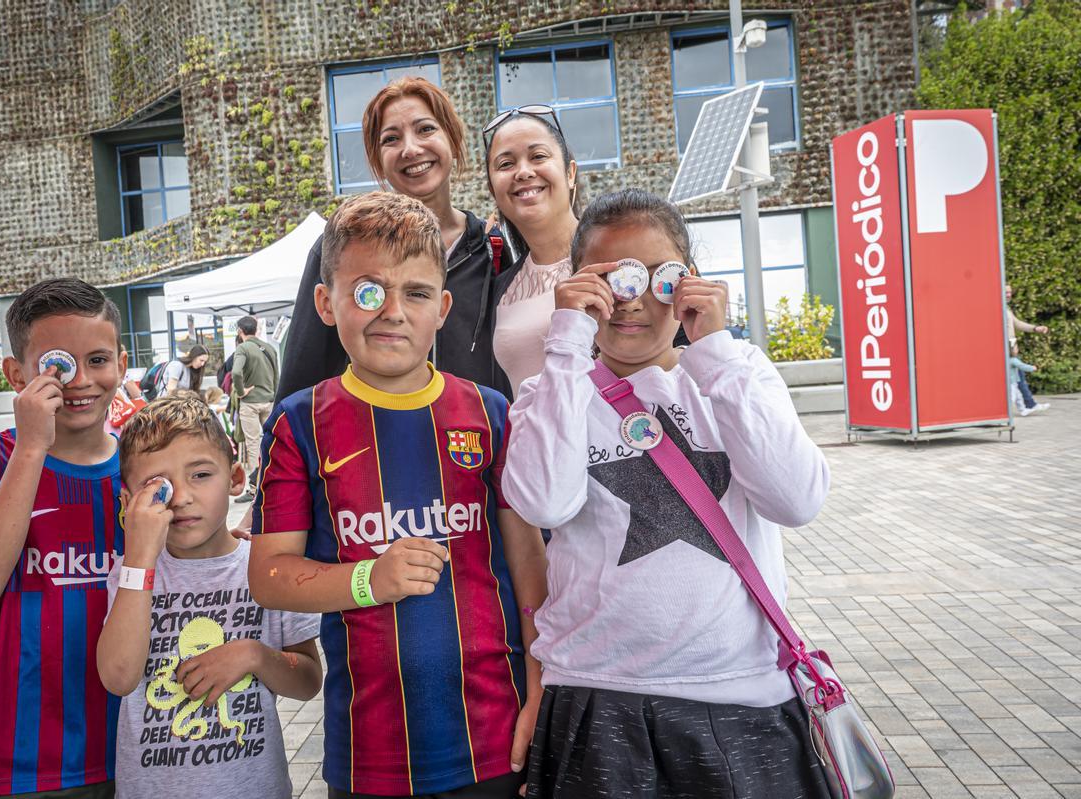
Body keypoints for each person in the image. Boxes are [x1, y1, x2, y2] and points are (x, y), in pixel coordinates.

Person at [502, 190, 833, 799]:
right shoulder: (550, 391)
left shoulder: (735, 373)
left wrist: (715, 350)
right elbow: (543, 503)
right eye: (612, 280)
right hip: (597, 695)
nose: (633, 300)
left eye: (660, 278)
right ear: (579, 284)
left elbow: (796, 501)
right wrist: (567, 341)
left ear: (688, 282)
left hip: (741, 692)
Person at [247, 192, 548, 798]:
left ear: (441, 308)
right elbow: (268, 575)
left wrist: (542, 684)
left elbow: (529, 567)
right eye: (367, 291)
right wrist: (368, 581)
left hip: (494, 737)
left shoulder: (490, 414)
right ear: (326, 304)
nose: (392, 311)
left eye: (414, 293)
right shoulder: (298, 422)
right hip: (369, 752)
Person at [0, 278, 127, 797]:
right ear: (17, 374)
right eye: (59, 365)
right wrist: (31, 449)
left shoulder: (144, 462)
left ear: (123, 364)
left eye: (98, 360)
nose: (81, 381)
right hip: (24, 761)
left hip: (140, 747)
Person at [97, 395, 322, 799]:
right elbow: (117, 677)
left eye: (200, 475)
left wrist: (254, 655)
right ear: (129, 503)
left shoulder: (267, 568)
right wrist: (140, 558)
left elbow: (308, 681)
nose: (180, 496)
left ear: (236, 478)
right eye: (158, 486)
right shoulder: (131, 573)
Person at [275, 76, 513, 403]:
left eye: (426, 129)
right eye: (391, 138)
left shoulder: (492, 250)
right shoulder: (343, 247)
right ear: (378, 159)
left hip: (474, 447)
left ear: (452, 138)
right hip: (367, 445)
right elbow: (303, 374)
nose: (411, 149)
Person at [484, 107, 582, 394]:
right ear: (493, 189)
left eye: (538, 156)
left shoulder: (622, 253)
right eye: (505, 164)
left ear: (570, 173)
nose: (524, 172)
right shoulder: (500, 287)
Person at [231, 316, 279, 504]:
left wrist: (241, 391)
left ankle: (254, 489)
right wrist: (273, 395)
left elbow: (236, 372)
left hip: (250, 403)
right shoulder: (269, 348)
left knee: (253, 445)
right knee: (273, 442)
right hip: (269, 401)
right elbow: (277, 375)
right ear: (257, 329)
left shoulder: (243, 348)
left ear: (240, 331)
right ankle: (274, 483)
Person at [1005, 284, 1050, 415]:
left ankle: (1028, 404)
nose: (1009, 295)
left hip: (1010, 348)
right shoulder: (998, 308)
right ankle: (1028, 405)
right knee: (1017, 378)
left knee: (1019, 378)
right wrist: (1012, 346)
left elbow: (1017, 324)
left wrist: (1036, 328)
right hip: (1006, 350)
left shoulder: (1006, 308)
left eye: (1010, 292)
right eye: (1006, 292)